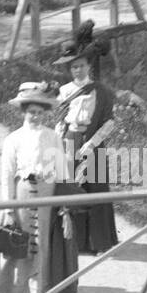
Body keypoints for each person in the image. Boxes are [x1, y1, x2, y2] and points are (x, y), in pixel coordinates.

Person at [0, 83, 78, 293]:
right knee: (20, 241)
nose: (36, 117)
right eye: (32, 112)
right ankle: (14, 291)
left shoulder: (53, 137)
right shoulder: (14, 139)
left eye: (40, 113)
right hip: (23, 191)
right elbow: (7, 175)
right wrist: (9, 207)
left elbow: (61, 170)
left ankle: (39, 292)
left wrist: (64, 203)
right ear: (24, 112)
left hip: (46, 192)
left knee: (42, 242)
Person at [53, 21, 119, 255]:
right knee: (72, 187)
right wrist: (58, 140)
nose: (77, 71)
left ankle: (99, 242)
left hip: (94, 143)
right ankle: (76, 241)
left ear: (89, 65)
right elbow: (61, 119)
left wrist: (92, 143)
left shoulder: (101, 91)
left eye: (80, 66)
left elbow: (110, 122)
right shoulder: (65, 92)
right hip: (70, 141)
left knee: (96, 187)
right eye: (73, 68)